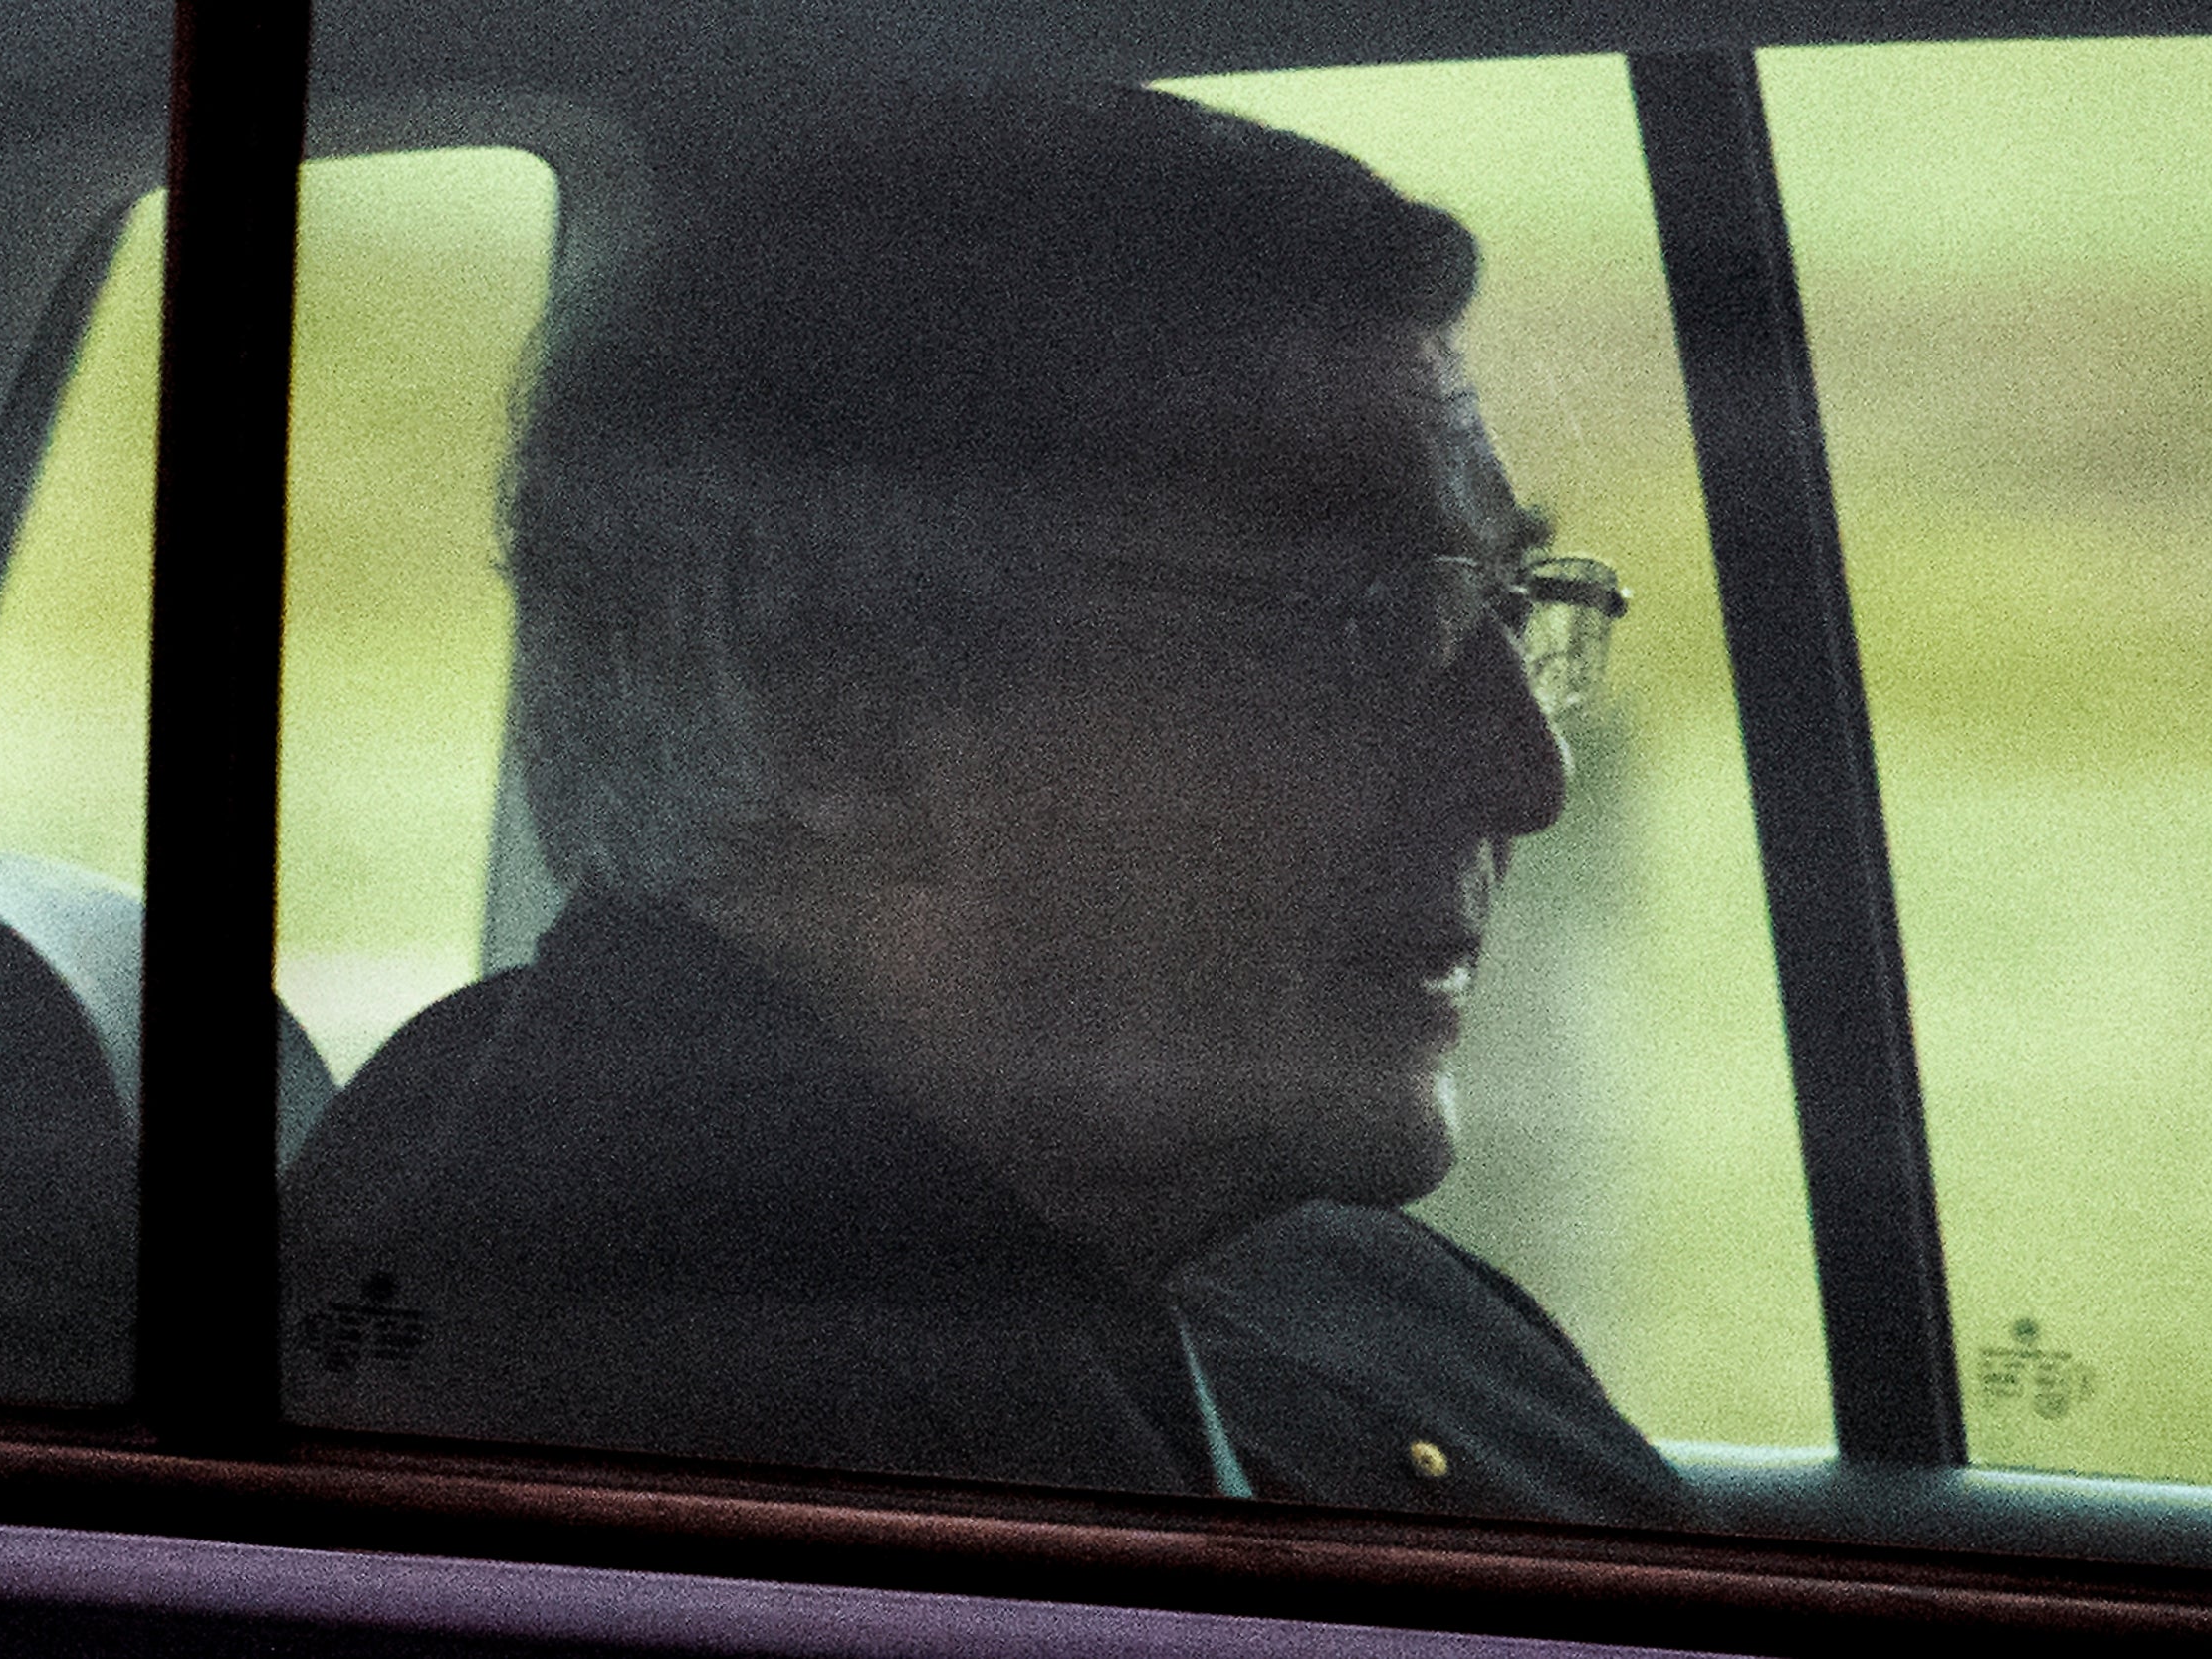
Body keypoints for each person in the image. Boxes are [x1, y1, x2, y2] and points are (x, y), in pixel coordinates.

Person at [282, 79, 1680, 1524]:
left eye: (1510, 607)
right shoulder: (620, 1455)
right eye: (1382, 622)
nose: (1528, 775)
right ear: (843, 725)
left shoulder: (1267, 1243)